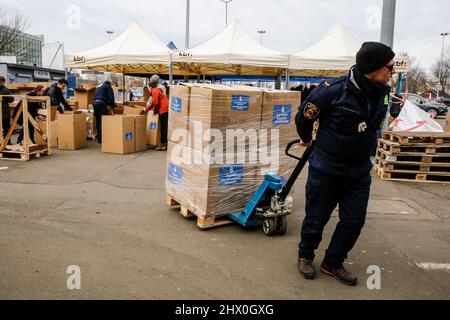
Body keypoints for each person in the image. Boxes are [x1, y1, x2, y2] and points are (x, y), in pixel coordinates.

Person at [295, 42, 395, 286]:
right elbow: (303, 116)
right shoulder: (332, 90)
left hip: (359, 172)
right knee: (316, 218)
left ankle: (333, 262)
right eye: (390, 67)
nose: (393, 72)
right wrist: (307, 140)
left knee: (354, 221)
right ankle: (305, 255)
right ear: (373, 68)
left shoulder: (383, 91)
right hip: (327, 170)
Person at [144, 75, 169, 151]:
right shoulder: (157, 90)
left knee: (163, 128)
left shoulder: (154, 91)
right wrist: (146, 109)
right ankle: (164, 143)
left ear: (150, 87)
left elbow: (155, 103)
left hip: (164, 109)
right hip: (165, 108)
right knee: (164, 127)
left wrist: (154, 112)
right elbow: (152, 103)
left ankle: (163, 145)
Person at [0, 76, 14, 142]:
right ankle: (6, 143)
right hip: (4, 113)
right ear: (3, 81)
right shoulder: (5, 89)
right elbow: (11, 99)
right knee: (6, 128)